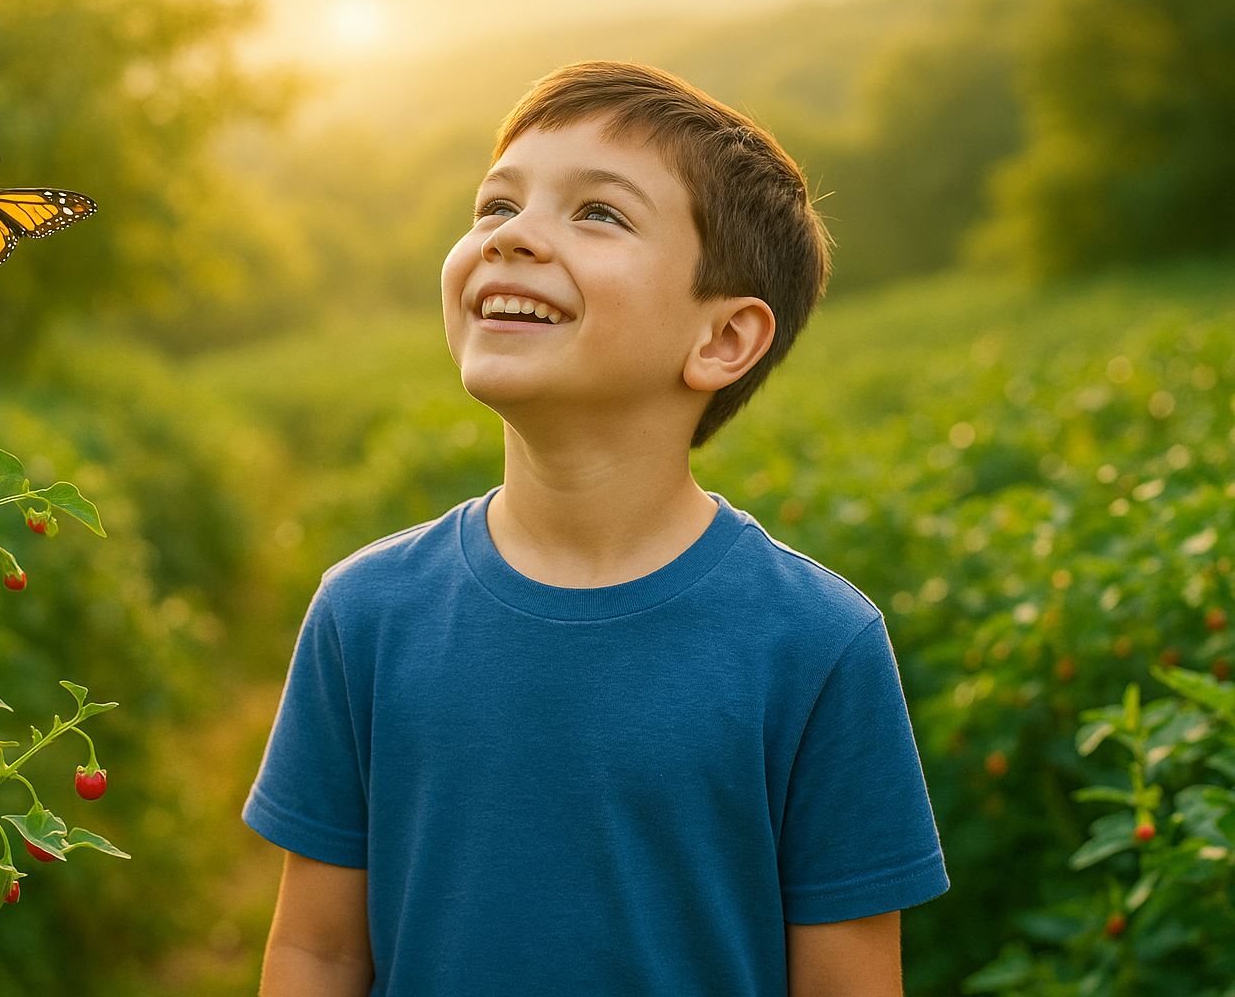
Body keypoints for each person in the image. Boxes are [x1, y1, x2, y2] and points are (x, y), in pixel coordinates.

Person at [243, 60, 947, 996]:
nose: (514, 238)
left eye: (599, 213)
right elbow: (319, 952)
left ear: (723, 340)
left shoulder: (817, 643)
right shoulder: (365, 612)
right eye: (496, 206)